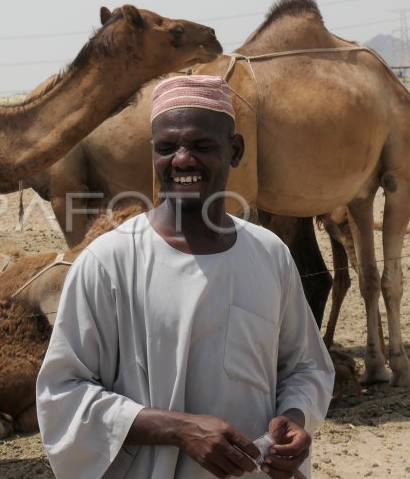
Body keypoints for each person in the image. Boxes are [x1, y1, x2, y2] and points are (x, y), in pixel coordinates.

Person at [36, 75, 335, 479]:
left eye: (201, 146)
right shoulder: (109, 262)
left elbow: (305, 368)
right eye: (167, 148)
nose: (182, 160)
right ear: (152, 153)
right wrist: (180, 430)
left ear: (234, 150)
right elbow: (62, 394)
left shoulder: (269, 255)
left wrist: (296, 418)